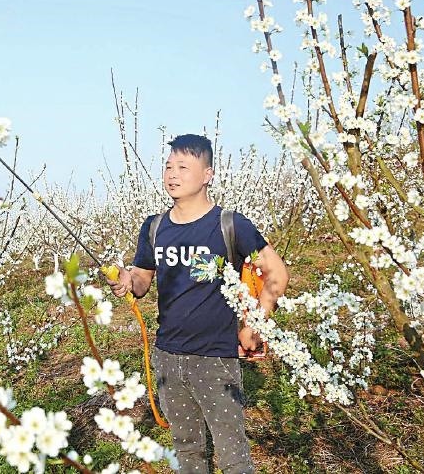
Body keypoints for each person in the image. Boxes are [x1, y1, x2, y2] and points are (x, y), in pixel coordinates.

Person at [106, 134, 289, 474]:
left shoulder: (229, 225)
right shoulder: (155, 227)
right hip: (167, 356)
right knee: (187, 452)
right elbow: (145, 278)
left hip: (214, 358)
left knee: (233, 455)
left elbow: (277, 272)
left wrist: (255, 326)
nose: (172, 175)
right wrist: (128, 279)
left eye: (183, 167)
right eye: (168, 167)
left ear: (208, 174)